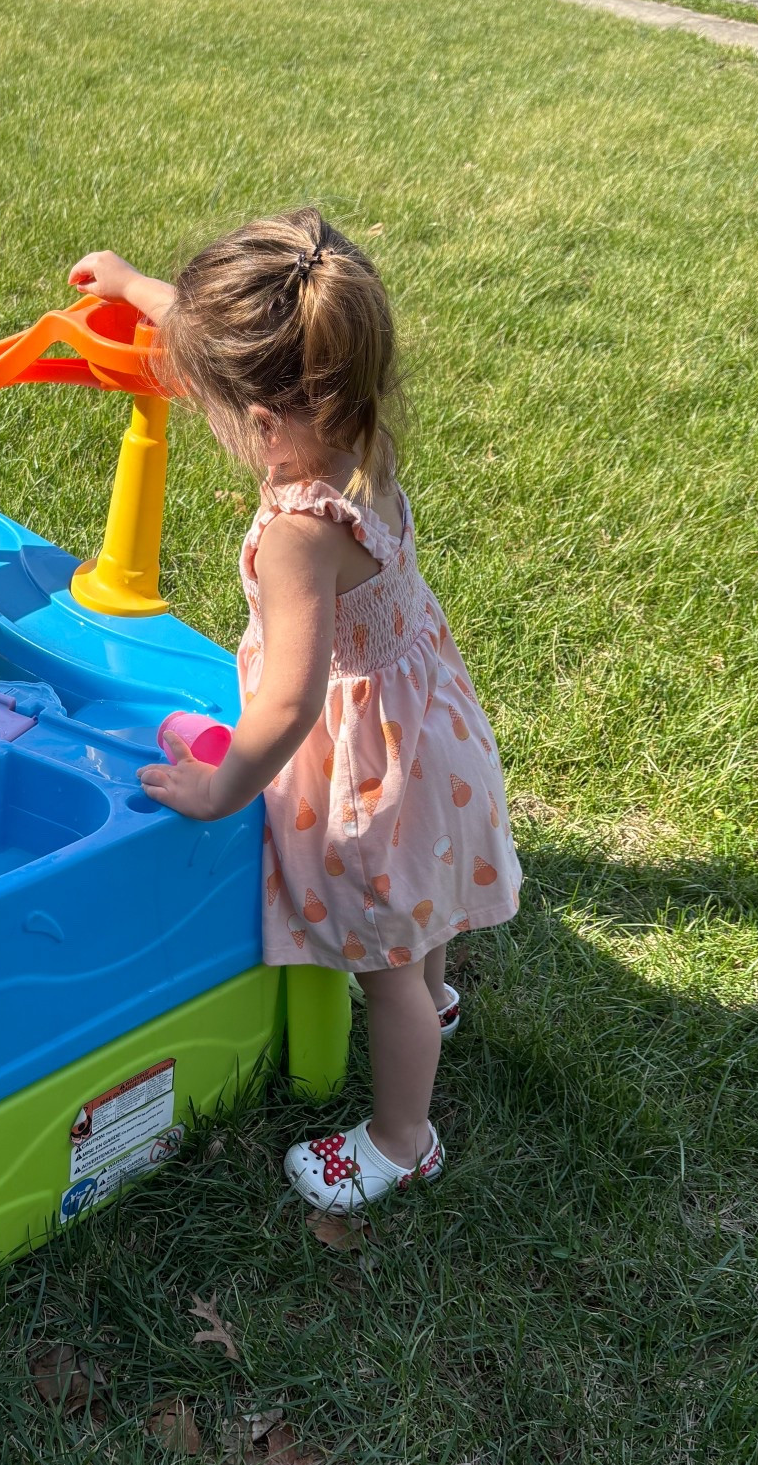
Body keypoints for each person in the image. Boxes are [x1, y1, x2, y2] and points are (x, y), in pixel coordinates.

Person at [69, 210, 521, 1215]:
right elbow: (234, 337)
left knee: (385, 966)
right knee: (424, 904)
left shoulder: (296, 529)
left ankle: (403, 1137)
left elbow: (290, 696)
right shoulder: (362, 428)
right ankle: (439, 999)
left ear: (264, 421)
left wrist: (225, 784)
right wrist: (140, 288)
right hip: (429, 717)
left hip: (371, 762)